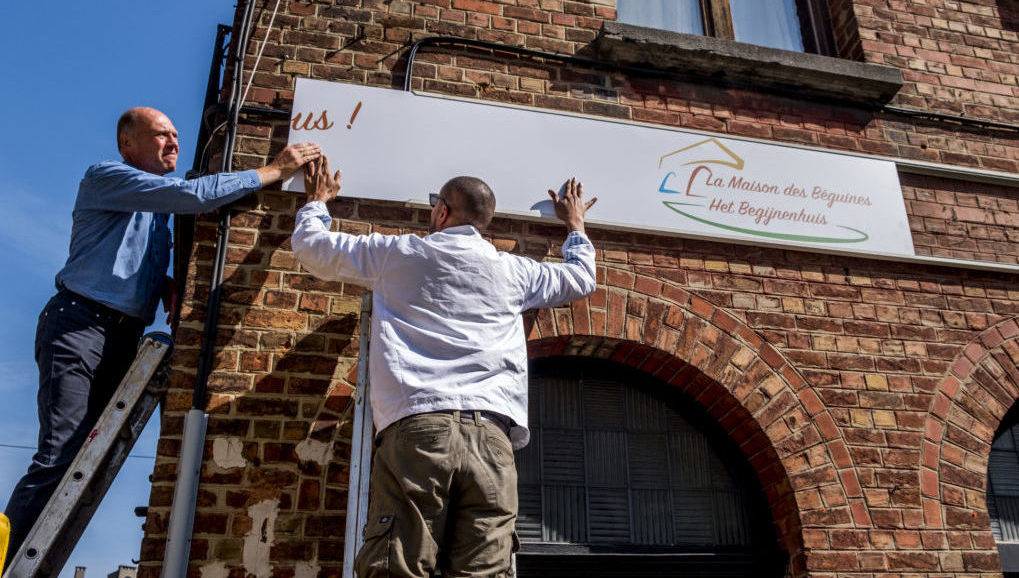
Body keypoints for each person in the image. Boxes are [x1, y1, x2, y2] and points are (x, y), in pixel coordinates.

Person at [3, 106, 321, 565]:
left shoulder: (157, 212)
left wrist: (164, 284)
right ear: (128, 144)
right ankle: (3, 560)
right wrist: (275, 170)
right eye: (160, 135)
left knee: (87, 459)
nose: (173, 142)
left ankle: (39, 562)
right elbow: (193, 196)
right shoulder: (107, 176)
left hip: (119, 333)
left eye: (175, 134)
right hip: (80, 326)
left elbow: (134, 252)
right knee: (60, 453)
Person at [292, 156, 597, 577]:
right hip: (492, 438)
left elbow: (314, 249)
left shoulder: (398, 253)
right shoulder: (513, 272)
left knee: (398, 566)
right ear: (483, 222)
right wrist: (575, 225)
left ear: (441, 211)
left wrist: (316, 202)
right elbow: (580, 279)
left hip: (418, 428)